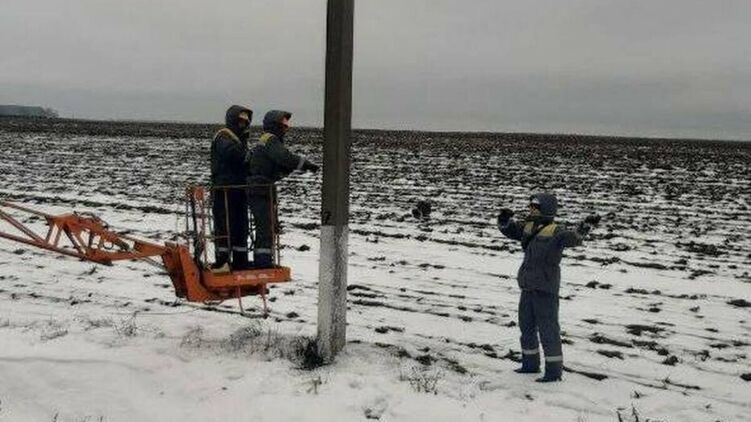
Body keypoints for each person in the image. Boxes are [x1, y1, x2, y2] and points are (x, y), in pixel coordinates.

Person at [497, 193, 598, 382]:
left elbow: (573, 238)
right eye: (531, 206)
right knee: (526, 328)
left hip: (545, 288)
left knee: (548, 330)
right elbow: (511, 230)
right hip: (527, 286)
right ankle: (530, 365)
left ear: (546, 209)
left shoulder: (555, 231)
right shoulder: (528, 227)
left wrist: (584, 227)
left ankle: (553, 372)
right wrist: (504, 220)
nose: (531, 209)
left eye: (535, 206)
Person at [247, 110, 319, 268]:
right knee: (265, 227)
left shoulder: (268, 141)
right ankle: (263, 263)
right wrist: (304, 164)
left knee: (267, 226)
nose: (287, 129)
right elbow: (284, 157)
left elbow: (276, 166)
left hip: (262, 188)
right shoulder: (270, 140)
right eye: (284, 125)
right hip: (260, 189)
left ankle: (264, 260)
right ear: (275, 125)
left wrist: (289, 169)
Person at [210, 105, 253, 272]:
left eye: (246, 122)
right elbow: (231, 153)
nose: (244, 124)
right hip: (224, 190)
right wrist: (248, 154)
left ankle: (241, 262)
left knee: (241, 227)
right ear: (233, 119)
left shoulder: (240, 140)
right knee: (224, 225)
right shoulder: (223, 136)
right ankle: (222, 261)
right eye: (241, 121)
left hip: (239, 189)